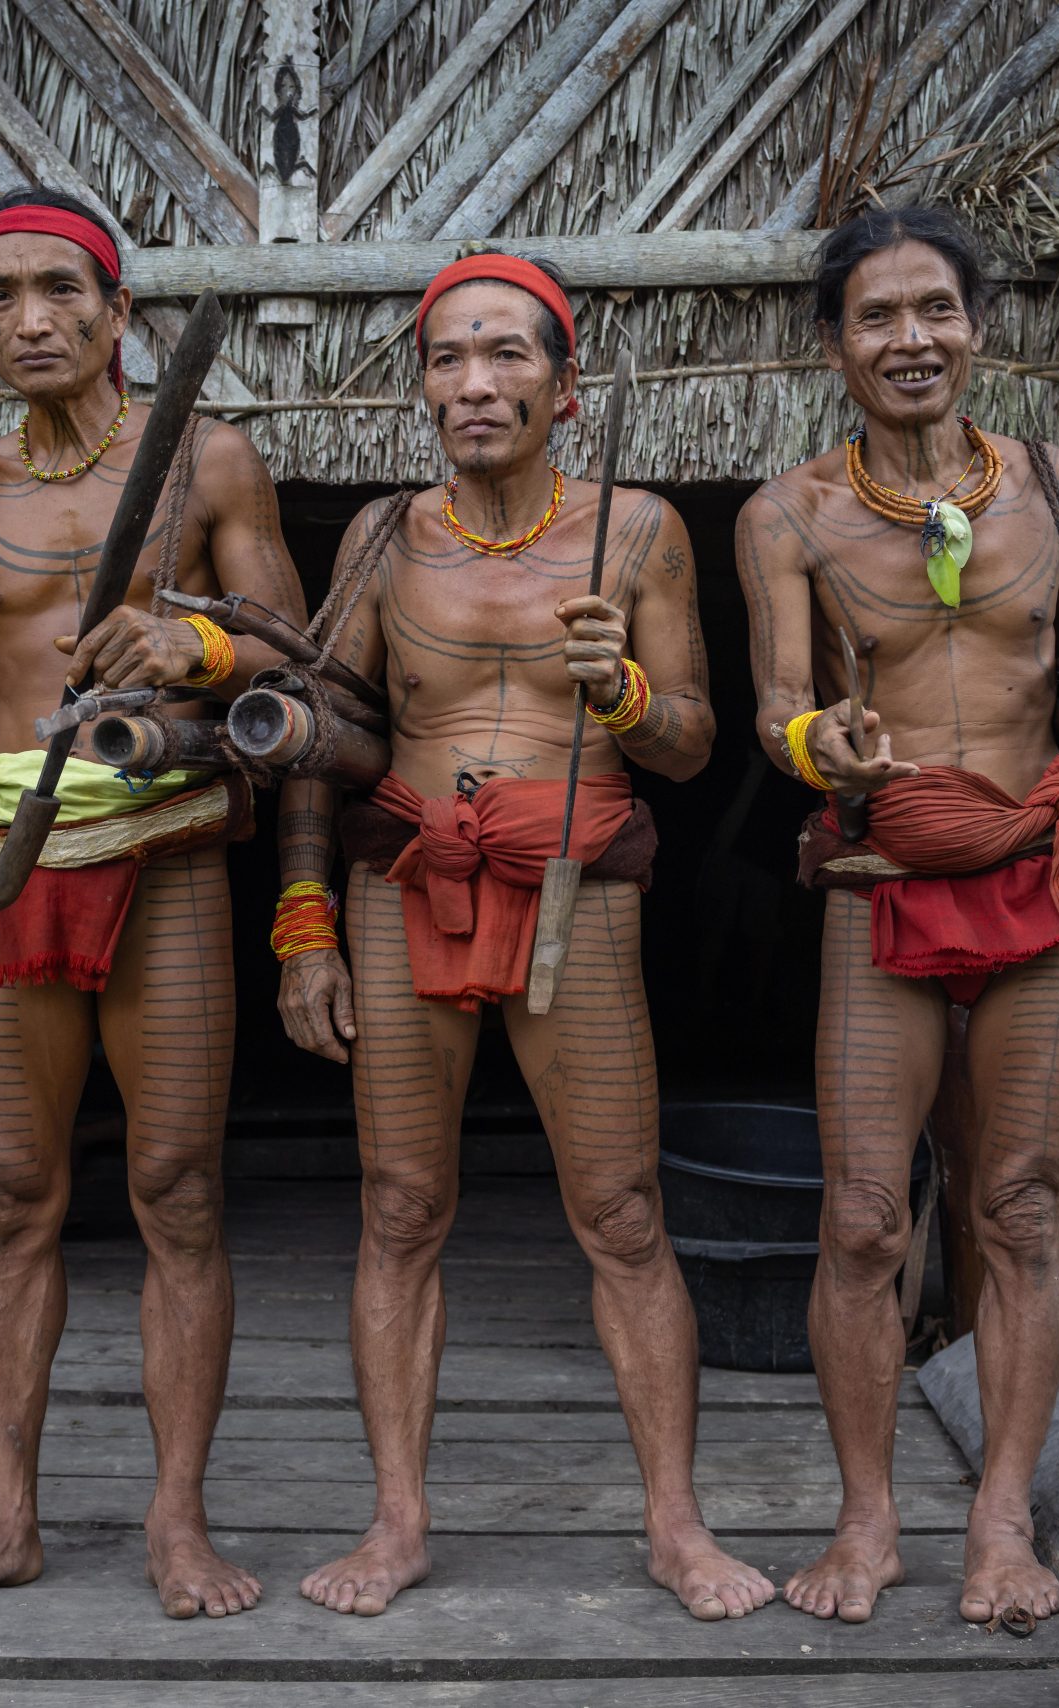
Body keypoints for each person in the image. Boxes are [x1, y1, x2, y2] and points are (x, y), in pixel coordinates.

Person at [273, 252, 773, 1623]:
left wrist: (619, 694)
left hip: (577, 888)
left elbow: (691, 748)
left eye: (505, 356)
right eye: (447, 358)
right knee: (399, 1206)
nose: (474, 383)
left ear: (567, 386)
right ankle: (397, 1521)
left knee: (619, 1211)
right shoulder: (383, 534)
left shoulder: (638, 531)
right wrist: (303, 921)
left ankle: (676, 1525)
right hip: (407, 875)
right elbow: (321, 738)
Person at [0, 189, 309, 1620]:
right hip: (1, 866)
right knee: (9, 1198)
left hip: (161, 852)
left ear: (122, 314)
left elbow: (304, 662)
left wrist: (194, 641)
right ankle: (6, 1518)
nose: (29, 318)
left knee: (174, 1190)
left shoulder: (207, 464)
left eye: (61, 289)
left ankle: (178, 1520)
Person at [734, 206, 1059, 1628]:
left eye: (936, 311)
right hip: (886, 879)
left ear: (975, 327)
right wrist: (825, 751)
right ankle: (868, 1525)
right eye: (878, 317)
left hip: (1042, 875)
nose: (911, 340)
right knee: (863, 1219)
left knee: (1024, 1205)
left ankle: (999, 1522)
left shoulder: (1054, 481)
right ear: (833, 344)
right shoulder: (788, 515)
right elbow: (777, 709)